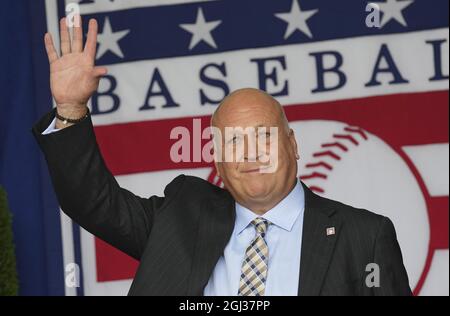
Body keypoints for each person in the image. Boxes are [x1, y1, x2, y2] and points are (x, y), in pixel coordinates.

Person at [32, 16, 412, 296]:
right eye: (233, 141)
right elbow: (92, 202)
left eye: (263, 135)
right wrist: (70, 108)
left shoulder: (365, 237)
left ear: (292, 145)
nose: (249, 152)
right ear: (217, 160)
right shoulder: (179, 221)